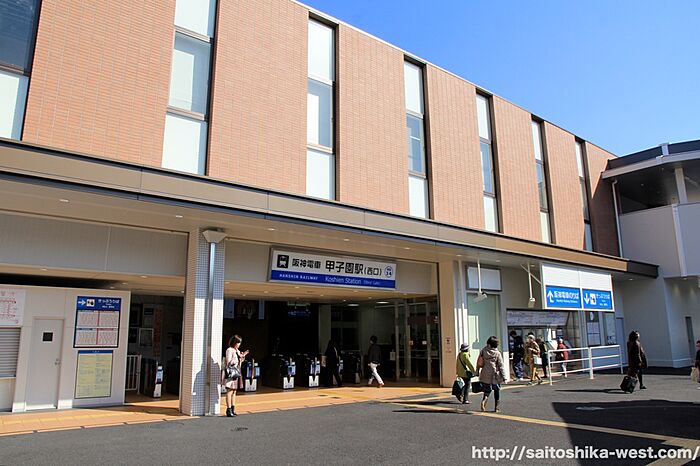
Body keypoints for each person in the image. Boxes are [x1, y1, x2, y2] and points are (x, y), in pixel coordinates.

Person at [478, 336, 507, 413]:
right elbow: (501, 366)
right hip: (495, 375)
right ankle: (496, 408)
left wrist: (477, 372)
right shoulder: (497, 353)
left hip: (485, 374)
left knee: (487, 391)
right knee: (496, 391)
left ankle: (484, 401)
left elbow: (479, 362)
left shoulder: (483, 351)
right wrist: (504, 377)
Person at [223, 334, 248, 417]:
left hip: (236, 372)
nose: (239, 344)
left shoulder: (237, 350)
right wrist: (236, 360)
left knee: (234, 391)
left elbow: (239, 362)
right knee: (230, 391)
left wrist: (242, 358)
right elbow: (228, 362)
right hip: (231, 373)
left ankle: (233, 409)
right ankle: (228, 409)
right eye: (238, 342)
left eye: (240, 343)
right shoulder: (229, 350)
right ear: (234, 342)